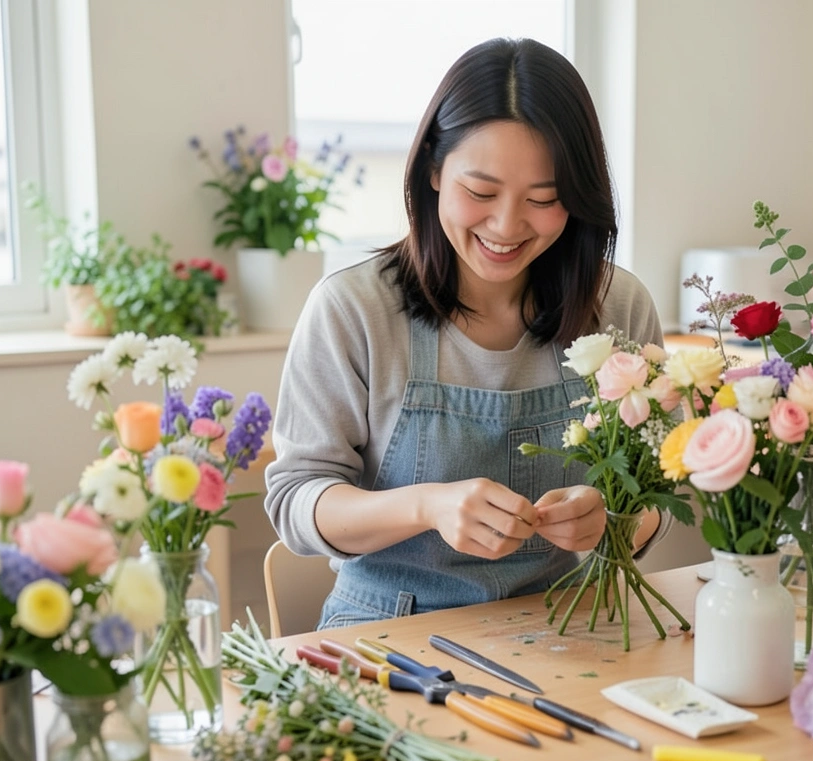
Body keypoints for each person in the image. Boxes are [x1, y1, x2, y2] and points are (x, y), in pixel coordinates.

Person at [265, 37, 671, 629]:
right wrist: (427, 505)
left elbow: (663, 492)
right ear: (433, 168)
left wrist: (615, 521)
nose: (506, 226)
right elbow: (297, 501)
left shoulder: (618, 307)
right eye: (480, 193)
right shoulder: (352, 309)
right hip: (389, 636)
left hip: (570, 626)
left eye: (544, 199)